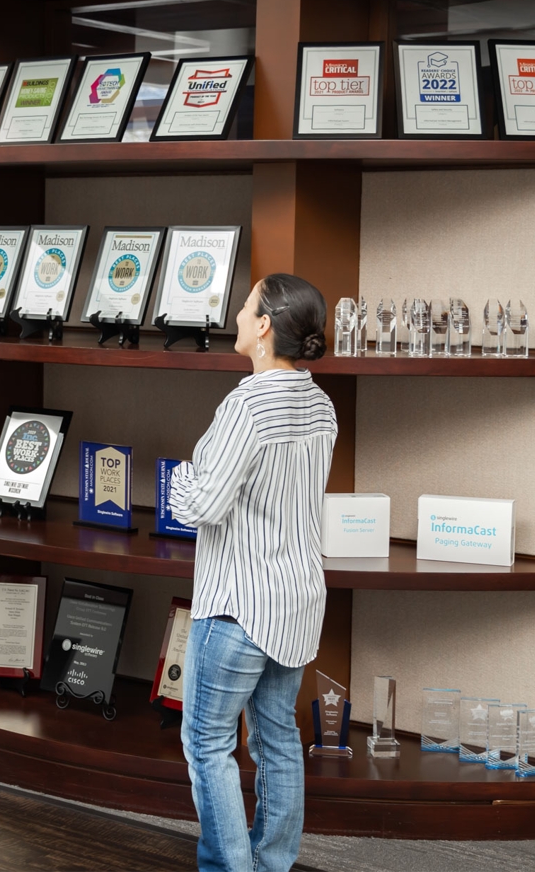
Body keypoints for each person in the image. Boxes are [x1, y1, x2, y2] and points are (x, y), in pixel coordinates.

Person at [170, 273, 337, 872]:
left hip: (238, 606)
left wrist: (179, 474)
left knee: (208, 743)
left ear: (265, 326)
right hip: (296, 601)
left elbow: (201, 504)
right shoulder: (320, 403)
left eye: (245, 307)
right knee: (279, 743)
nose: (237, 314)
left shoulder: (248, 403)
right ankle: (270, 865)